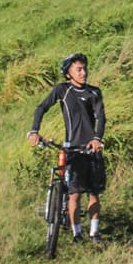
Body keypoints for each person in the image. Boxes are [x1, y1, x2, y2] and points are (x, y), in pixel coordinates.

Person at [28, 53, 106, 242]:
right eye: (78, 69)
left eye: (84, 68)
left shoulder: (94, 92)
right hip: (73, 149)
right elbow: (41, 108)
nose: (83, 72)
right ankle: (76, 233)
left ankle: (94, 233)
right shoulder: (63, 90)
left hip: (92, 149)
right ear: (68, 73)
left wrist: (97, 138)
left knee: (94, 194)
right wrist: (34, 131)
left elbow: (101, 117)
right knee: (75, 194)